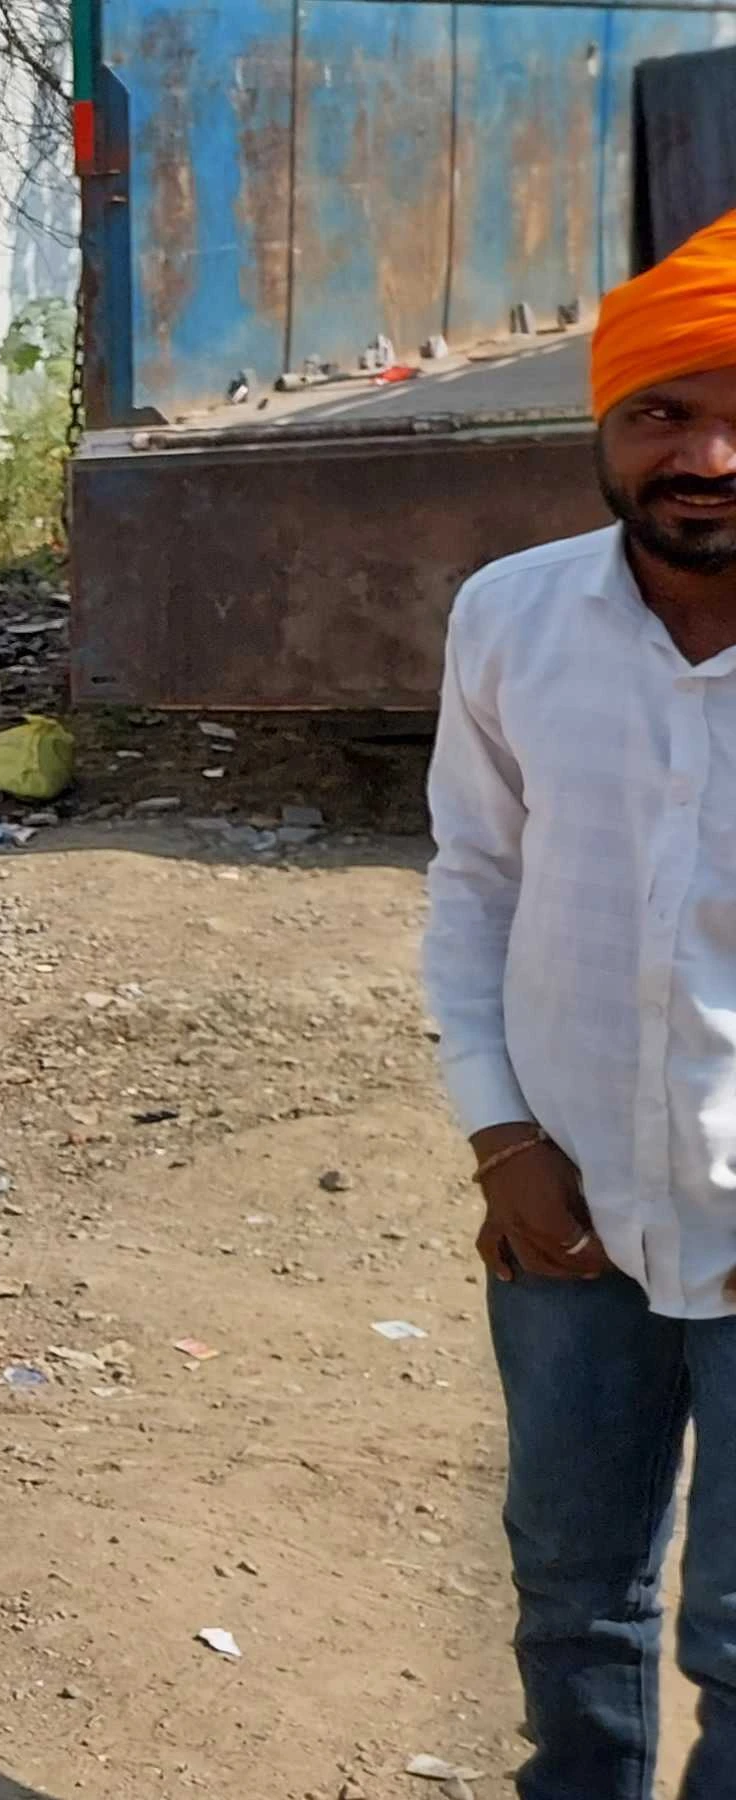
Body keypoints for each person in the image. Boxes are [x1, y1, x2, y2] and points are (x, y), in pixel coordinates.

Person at [427, 204, 736, 1798]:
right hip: (570, 1211)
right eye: (663, 411)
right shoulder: (513, 619)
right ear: (605, 432)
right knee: (573, 1602)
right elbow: (473, 884)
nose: (709, 451)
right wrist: (499, 1142)